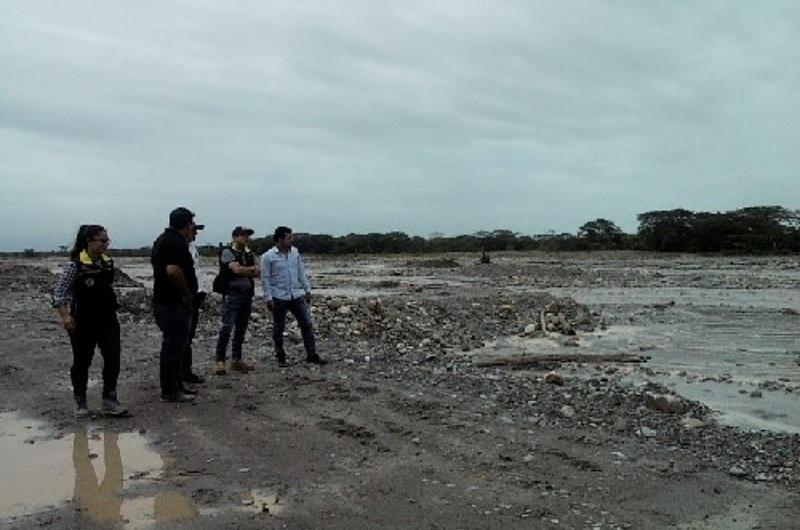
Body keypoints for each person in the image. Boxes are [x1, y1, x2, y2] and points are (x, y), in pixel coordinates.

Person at [53, 224, 128, 417]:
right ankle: (80, 401)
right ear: (89, 241)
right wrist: (65, 316)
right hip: (83, 321)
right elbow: (59, 294)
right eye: (102, 240)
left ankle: (109, 399)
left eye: (107, 241)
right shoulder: (75, 265)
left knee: (113, 357)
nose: (106, 244)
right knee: (82, 361)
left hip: (108, 319)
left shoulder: (108, 263)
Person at [151, 207, 199, 402]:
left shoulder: (163, 239)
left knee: (177, 346)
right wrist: (187, 294)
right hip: (173, 303)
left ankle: (176, 385)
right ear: (187, 224)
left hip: (166, 301)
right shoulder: (175, 242)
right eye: (193, 224)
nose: (194, 228)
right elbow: (173, 271)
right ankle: (170, 390)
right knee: (173, 346)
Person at [260, 226, 325, 367]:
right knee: (279, 327)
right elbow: (265, 279)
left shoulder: (295, 252)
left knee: (306, 324)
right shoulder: (268, 256)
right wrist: (268, 298)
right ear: (280, 239)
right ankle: (280, 356)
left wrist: (307, 289)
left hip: (295, 294)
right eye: (289, 237)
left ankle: (311, 354)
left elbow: (300, 272)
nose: (292, 240)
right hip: (279, 296)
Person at [214, 226, 259, 375]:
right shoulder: (227, 252)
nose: (246, 238)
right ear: (234, 237)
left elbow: (258, 271)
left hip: (247, 293)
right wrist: (250, 270)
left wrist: (247, 270)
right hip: (232, 294)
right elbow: (236, 270)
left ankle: (236, 359)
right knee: (227, 327)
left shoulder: (249, 253)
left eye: (247, 236)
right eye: (242, 235)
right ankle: (219, 360)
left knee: (241, 327)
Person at [183, 223, 206, 385]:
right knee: (181, 337)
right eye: (193, 230)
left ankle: (186, 371)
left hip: (196, 296)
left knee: (188, 337)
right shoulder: (178, 247)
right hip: (185, 298)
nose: (196, 234)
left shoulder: (192, 246)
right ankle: (180, 374)